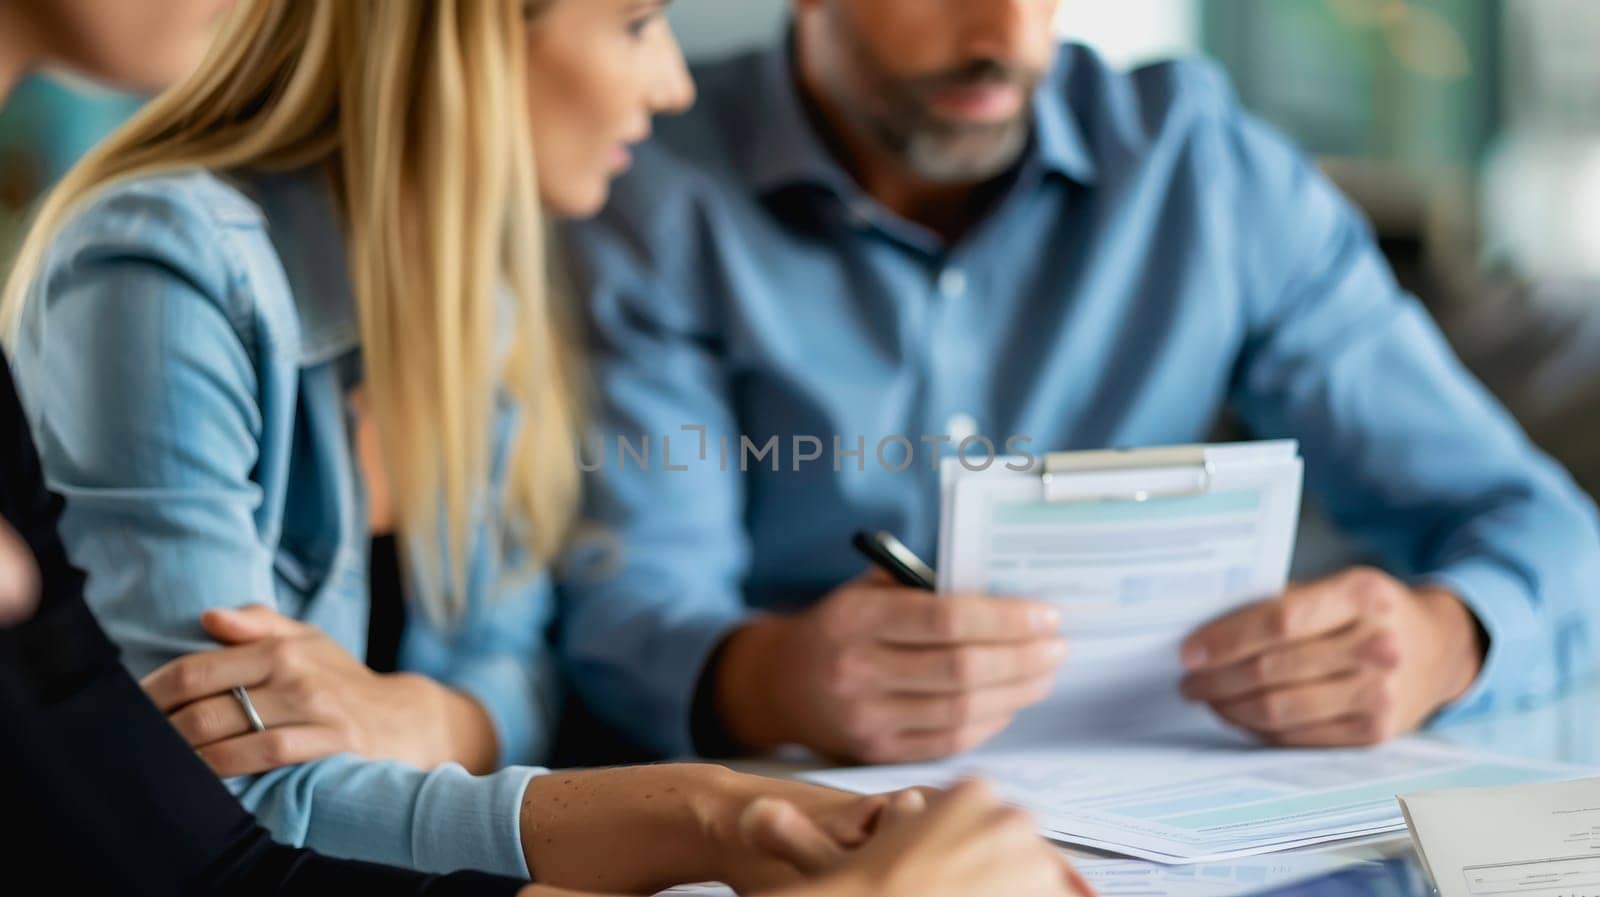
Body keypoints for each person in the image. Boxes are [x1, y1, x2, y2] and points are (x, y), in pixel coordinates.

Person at [1, 4, 1092, 896]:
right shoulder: (168, 267)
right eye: (637, 24)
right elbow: (214, 809)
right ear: (467, 39)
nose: (671, 86)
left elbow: (523, 674)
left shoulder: (487, 302)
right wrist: (709, 816)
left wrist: (428, 714)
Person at [552, 0, 1600, 764]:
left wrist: (1445, 641)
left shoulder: (1203, 170)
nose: (1006, 37)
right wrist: (775, 679)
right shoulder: (641, 187)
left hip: (1206, 814)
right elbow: (628, 606)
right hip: (822, 818)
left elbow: (1533, 524)